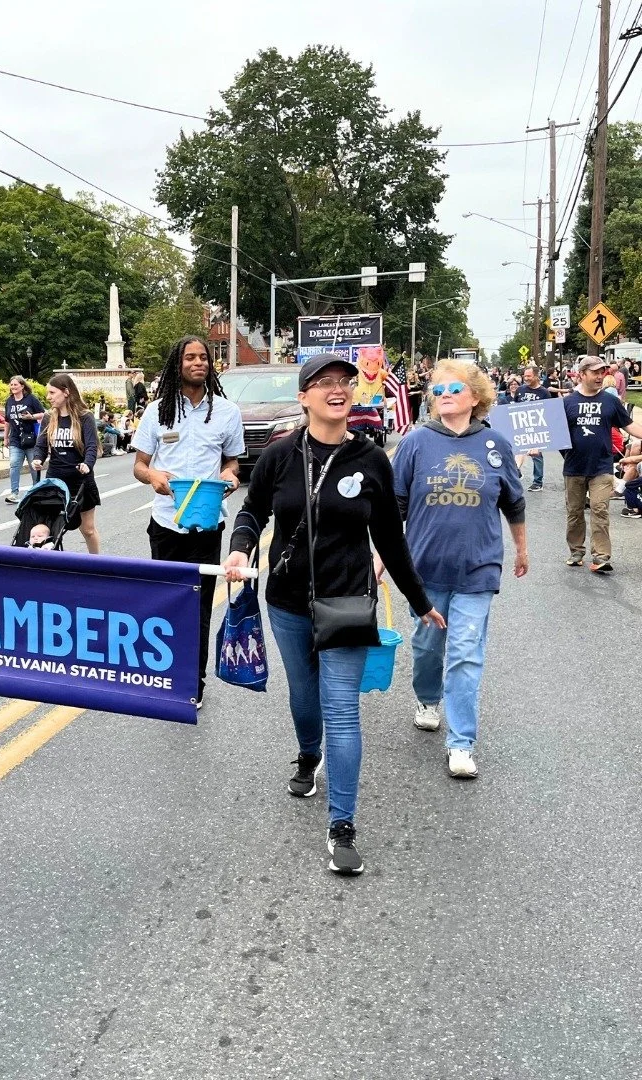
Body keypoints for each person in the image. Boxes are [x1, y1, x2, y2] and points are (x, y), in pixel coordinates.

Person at [222, 353, 443, 876]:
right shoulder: (279, 456)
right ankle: (307, 753)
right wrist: (241, 546)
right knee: (304, 696)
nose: (337, 388)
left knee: (341, 708)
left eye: (344, 381)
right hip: (288, 601)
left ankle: (341, 825)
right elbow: (253, 510)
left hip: (347, 602)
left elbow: (390, 536)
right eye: (324, 382)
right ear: (304, 397)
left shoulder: (371, 460)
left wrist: (420, 602)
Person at [391, 361, 527, 780]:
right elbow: (393, 506)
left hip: (478, 568)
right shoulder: (415, 444)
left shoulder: (495, 444)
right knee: (429, 646)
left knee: (466, 653)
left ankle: (462, 743)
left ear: (475, 397)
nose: (444, 393)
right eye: (438, 389)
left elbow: (513, 502)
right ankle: (427, 699)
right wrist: (382, 558)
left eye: (454, 387)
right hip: (424, 569)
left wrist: (521, 548)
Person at [132, 336, 245, 707]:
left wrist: (230, 478)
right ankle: (163, 672)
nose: (199, 362)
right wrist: (153, 478)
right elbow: (139, 465)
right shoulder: (158, 411)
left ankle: (191, 680)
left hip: (207, 525)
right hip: (166, 524)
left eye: (204, 357)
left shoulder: (227, 412)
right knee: (166, 602)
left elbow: (232, 463)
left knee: (198, 605)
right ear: (176, 364)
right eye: (190, 357)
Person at [563, 355, 642, 573]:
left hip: (602, 467)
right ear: (582, 374)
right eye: (595, 372)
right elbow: (552, 434)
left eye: (602, 372)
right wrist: (534, 447)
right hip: (574, 467)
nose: (600, 376)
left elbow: (629, 425)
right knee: (575, 512)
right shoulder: (567, 403)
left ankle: (601, 556)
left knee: (599, 509)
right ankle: (576, 551)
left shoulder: (610, 401)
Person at [32, 373, 102, 554]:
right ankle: (53, 564)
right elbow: (41, 444)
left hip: (80, 480)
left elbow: (92, 446)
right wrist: (38, 459)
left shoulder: (84, 417)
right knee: (53, 528)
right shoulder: (49, 417)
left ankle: (96, 564)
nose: (48, 397)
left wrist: (88, 464)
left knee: (87, 529)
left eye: (52, 393)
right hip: (55, 480)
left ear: (66, 392)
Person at [3, 375, 46, 503]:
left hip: (30, 438)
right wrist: (6, 437)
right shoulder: (9, 401)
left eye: (15, 385)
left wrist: (31, 417)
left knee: (34, 465)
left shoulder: (31, 399)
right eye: (11, 385)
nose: (13, 387)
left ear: (22, 386)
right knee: (14, 464)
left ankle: (36, 490)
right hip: (16, 439)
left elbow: (43, 413)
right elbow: (7, 421)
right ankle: (14, 493)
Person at [516, 365, 550, 491]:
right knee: (517, 451)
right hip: (520, 425)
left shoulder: (544, 392)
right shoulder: (520, 390)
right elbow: (515, 406)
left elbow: (548, 410)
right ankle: (516, 472)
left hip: (537, 428)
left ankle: (537, 482)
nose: (526, 378)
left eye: (529, 376)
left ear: (536, 376)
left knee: (536, 454)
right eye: (525, 376)